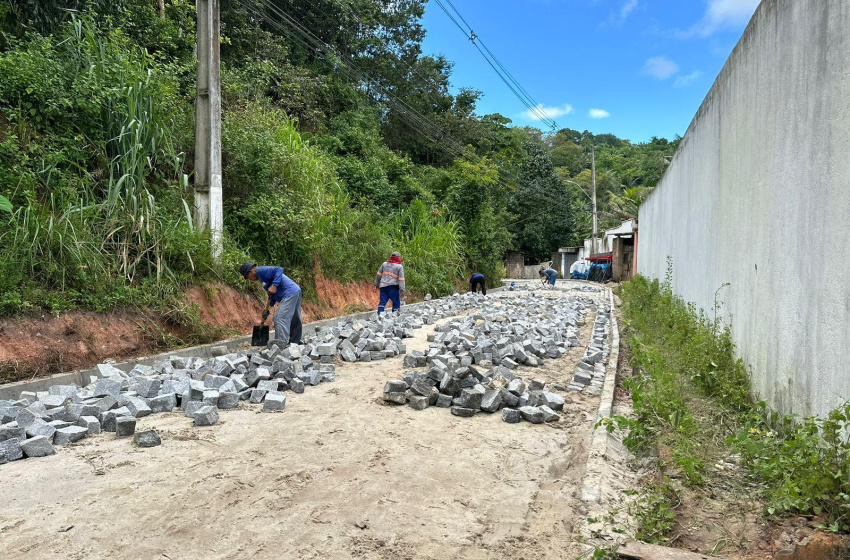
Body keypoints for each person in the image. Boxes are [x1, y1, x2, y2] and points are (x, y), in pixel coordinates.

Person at [240, 262, 302, 344]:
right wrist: (267, 309)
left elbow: (279, 269)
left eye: (247, 277)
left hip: (289, 292)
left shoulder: (260, 271)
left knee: (280, 317)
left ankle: (280, 345)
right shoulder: (261, 278)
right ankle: (295, 342)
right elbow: (272, 295)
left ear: (251, 271)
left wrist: (274, 285)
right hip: (295, 291)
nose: (249, 279)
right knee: (295, 318)